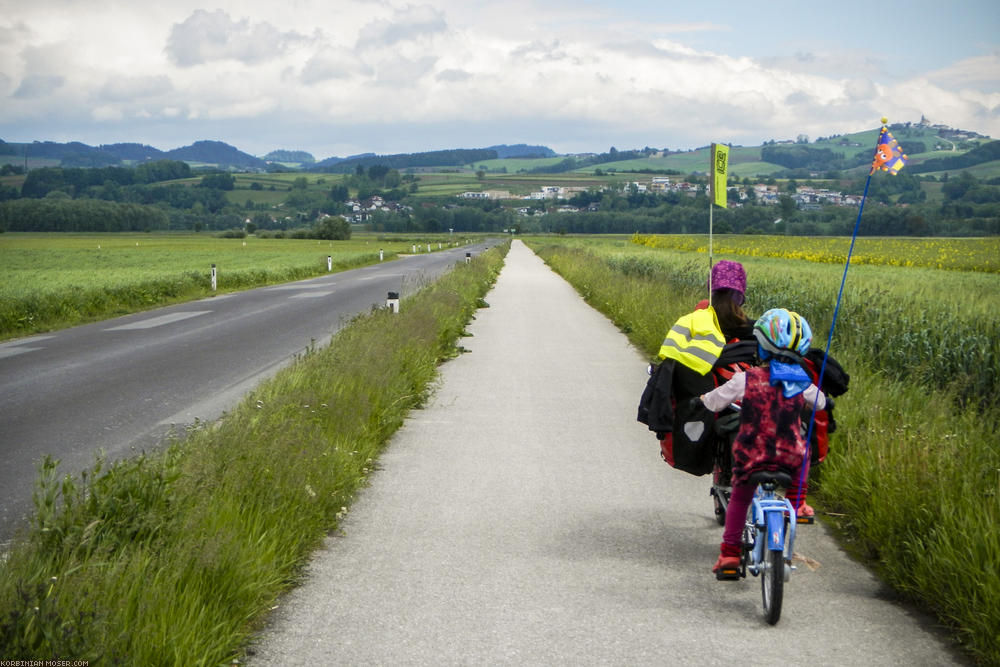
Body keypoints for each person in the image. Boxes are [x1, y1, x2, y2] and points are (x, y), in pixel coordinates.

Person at [695, 308, 827, 575]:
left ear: (762, 347)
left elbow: (715, 400)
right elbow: (822, 402)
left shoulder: (747, 378)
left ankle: (730, 555)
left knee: (740, 499)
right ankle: (797, 502)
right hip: (789, 456)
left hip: (752, 456)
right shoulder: (802, 382)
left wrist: (701, 401)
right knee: (805, 448)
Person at [640, 260, 756, 472]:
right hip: (739, 396)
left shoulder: (693, 321)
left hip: (701, 399)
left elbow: (672, 357)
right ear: (741, 294)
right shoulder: (752, 328)